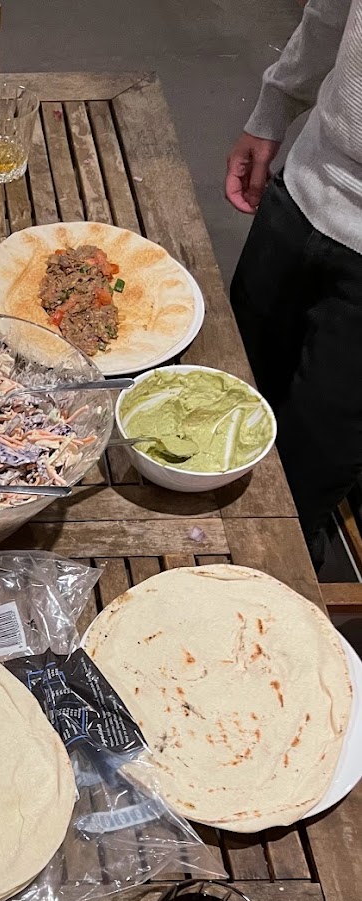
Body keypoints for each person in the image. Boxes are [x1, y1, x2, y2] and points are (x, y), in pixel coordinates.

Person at [226, 0, 362, 566]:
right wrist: (274, 105)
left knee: (304, 479)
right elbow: (334, 9)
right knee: (226, 396)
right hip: (305, 184)